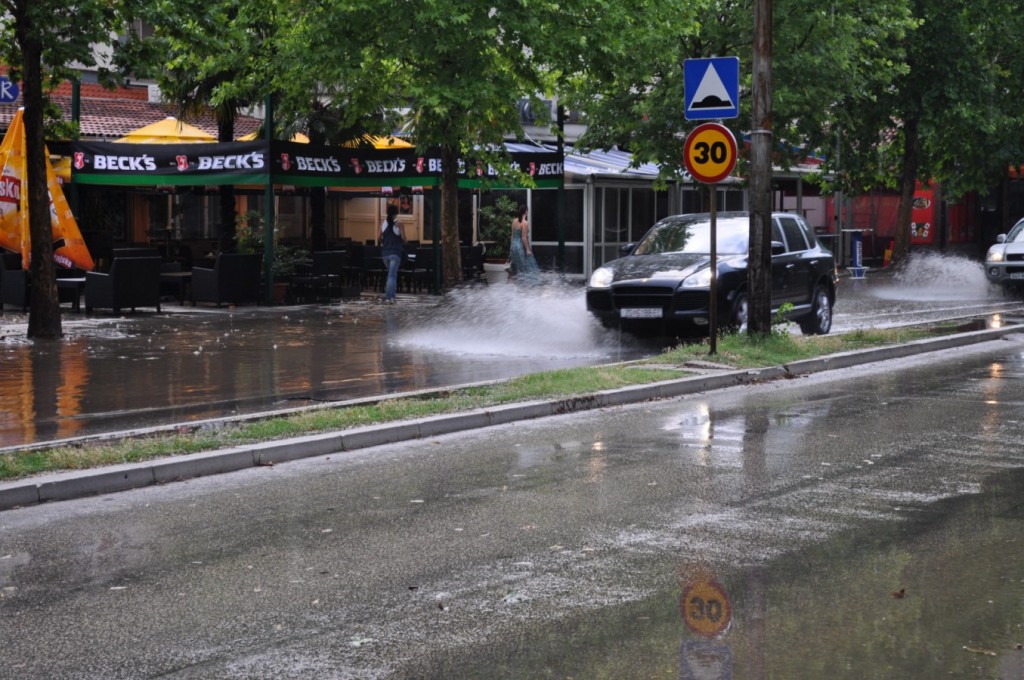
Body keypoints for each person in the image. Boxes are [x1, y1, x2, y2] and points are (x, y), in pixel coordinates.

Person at [380, 203, 405, 303]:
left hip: (385, 254)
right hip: (395, 253)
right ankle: (390, 297)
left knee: (391, 275)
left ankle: (391, 296)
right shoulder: (399, 224)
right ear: (396, 213)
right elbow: (403, 238)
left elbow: (378, 237)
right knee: (392, 275)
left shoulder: (382, 223)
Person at [509, 203, 539, 281]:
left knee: (516, 267)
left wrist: (511, 248)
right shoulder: (524, 223)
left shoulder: (514, 221)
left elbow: (512, 236)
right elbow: (523, 238)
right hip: (520, 247)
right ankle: (526, 285)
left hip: (513, 246)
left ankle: (514, 286)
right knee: (526, 266)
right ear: (526, 211)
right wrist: (528, 250)